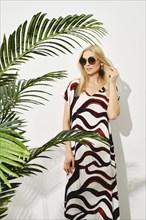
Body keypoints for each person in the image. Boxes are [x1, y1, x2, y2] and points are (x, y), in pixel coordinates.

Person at [63, 44, 120, 220]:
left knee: (102, 207)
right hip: (79, 156)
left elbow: (113, 115)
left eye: (91, 60)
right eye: (83, 60)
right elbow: (66, 123)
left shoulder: (109, 89)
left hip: (102, 158)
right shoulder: (74, 87)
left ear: (100, 62)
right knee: (77, 205)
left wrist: (112, 83)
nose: (87, 64)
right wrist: (68, 152)